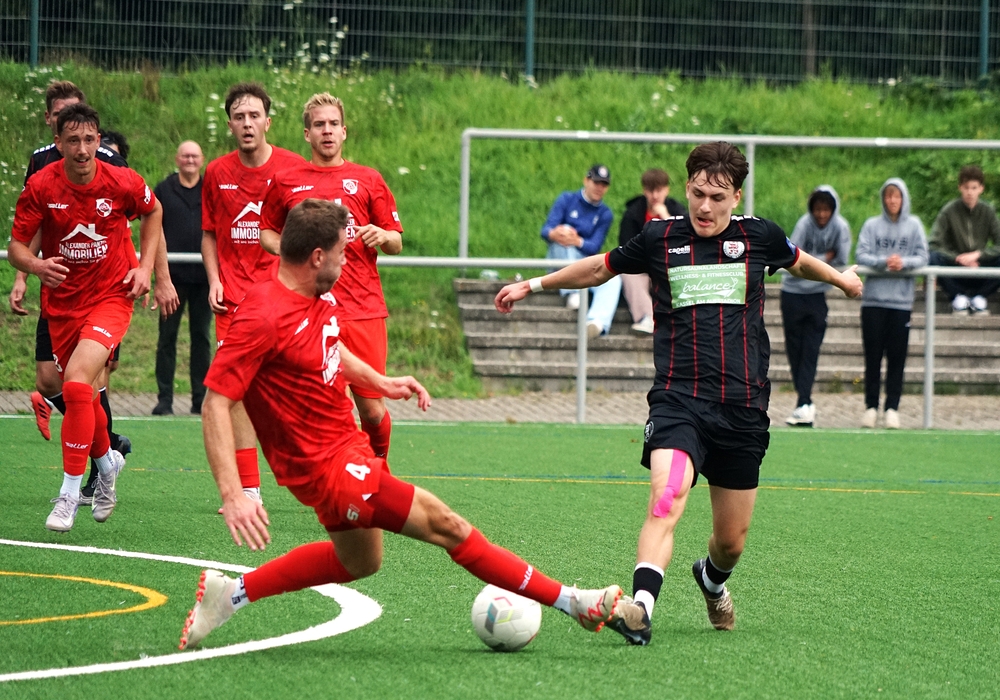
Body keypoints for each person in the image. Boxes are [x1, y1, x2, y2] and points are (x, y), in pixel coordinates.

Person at [178, 199, 623, 649]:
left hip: (346, 448)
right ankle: (574, 603)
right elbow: (216, 404)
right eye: (342, 252)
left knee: (360, 562)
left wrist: (379, 381)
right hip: (328, 470)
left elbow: (329, 347)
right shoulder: (262, 316)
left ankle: (230, 595)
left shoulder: (316, 294)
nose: (347, 260)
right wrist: (234, 495)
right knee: (448, 525)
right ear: (316, 256)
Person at [495, 142, 862, 645]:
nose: (705, 207)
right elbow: (600, 267)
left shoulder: (758, 236)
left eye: (717, 197)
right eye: (697, 194)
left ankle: (711, 579)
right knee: (665, 499)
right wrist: (532, 285)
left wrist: (842, 280)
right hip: (678, 401)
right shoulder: (660, 237)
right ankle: (640, 609)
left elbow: (798, 262)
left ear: (736, 197)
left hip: (743, 408)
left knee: (731, 544)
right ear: (686, 188)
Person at [8, 80, 176, 504]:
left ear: (97, 137)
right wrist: (29, 270)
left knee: (86, 381)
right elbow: (26, 234)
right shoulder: (40, 173)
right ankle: (106, 459)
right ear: (54, 129)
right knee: (56, 381)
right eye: (69, 133)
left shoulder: (114, 171)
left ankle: (75, 488)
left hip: (109, 292)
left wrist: (153, 273)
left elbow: (150, 211)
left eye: (88, 137)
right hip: (62, 294)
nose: (82, 147)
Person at [260, 92, 402, 458]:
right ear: (307, 134)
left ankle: (378, 469)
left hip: (362, 308)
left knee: (372, 411)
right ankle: (340, 477)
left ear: (344, 132)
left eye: (333, 124)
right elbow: (266, 231)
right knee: (322, 408)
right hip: (310, 311)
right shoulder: (286, 180)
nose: (327, 131)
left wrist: (383, 234)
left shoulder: (368, 179)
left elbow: (396, 241)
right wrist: (290, 250)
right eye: (319, 125)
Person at [201, 82, 305, 508]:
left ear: (268, 122)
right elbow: (209, 234)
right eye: (239, 117)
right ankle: (249, 489)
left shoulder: (294, 168)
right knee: (236, 393)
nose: (247, 123)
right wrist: (214, 280)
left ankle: (321, 473)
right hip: (233, 301)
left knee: (295, 389)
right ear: (230, 124)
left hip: (282, 298)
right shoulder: (216, 172)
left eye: (254, 116)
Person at [855, 178, 929, 429]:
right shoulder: (871, 225)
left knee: (897, 358)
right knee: (873, 357)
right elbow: (861, 254)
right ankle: (871, 407)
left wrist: (903, 263)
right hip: (873, 302)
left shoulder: (914, 226)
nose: (892, 200)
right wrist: (883, 261)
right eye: (888, 195)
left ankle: (892, 408)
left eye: (896, 196)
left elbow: (923, 256)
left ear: (903, 198)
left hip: (901, 303)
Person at [780, 186, 853, 427]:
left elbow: (841, 259)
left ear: (833, 210)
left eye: (826, 210)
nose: (822, 214)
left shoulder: (841, 227)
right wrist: (824, 259)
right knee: (794, 350)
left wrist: (816, 261)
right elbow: (794, 257)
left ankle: (804, 401)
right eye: (818, 209)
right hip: (792, 293)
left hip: (817, 296)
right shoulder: (803, 224)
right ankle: (804, 402)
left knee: (810, 350)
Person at [153, 141, 211, 415]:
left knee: (201, 338)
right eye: (185, 156)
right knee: (167, 338)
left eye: (194, 156)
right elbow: (153, 227)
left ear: (202, 160)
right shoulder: (164, 190)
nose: (189, 160)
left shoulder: (210, 189)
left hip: (203, 277)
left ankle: (200, 399)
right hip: (172, 279)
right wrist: (160, 275)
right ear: (177, 159)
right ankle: (164, 399)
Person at [540, 164, 623, 338]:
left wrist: (577, 240)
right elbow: (546, 230)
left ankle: (597, 322)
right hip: (560, 259)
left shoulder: (605, 213)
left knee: (614, 278)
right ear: (586, 180)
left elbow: (594, 246)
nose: (600, 188)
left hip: (585, 261)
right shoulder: (566, 199)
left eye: (604, 184)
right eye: (596, 182)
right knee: (565, 234)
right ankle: (572, 291)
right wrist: (557, 233)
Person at [618, 168, 686, 334]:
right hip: (642, 267)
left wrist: (666, 218)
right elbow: (626, 246)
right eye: (650, 190)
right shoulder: (633, 213)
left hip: (669, 266)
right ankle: (648, 317)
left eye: (659, 190)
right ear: (644, 190)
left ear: (667, 190)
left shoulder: (677, 211)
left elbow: (685, 241)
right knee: (628, 274)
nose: (654, 195)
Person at [928, 165, 1000, 315]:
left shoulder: (988, 211)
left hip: (979, 267)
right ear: (960, 187)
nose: (970, 192)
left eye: (974, 188)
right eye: (966, 187)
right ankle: (958, 297)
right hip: (956, 268)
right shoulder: (949, 211)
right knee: (933, 257)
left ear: (981, 189)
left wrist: (978, 255)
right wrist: (958, 258)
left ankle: (979, 297)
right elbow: (933, 243)